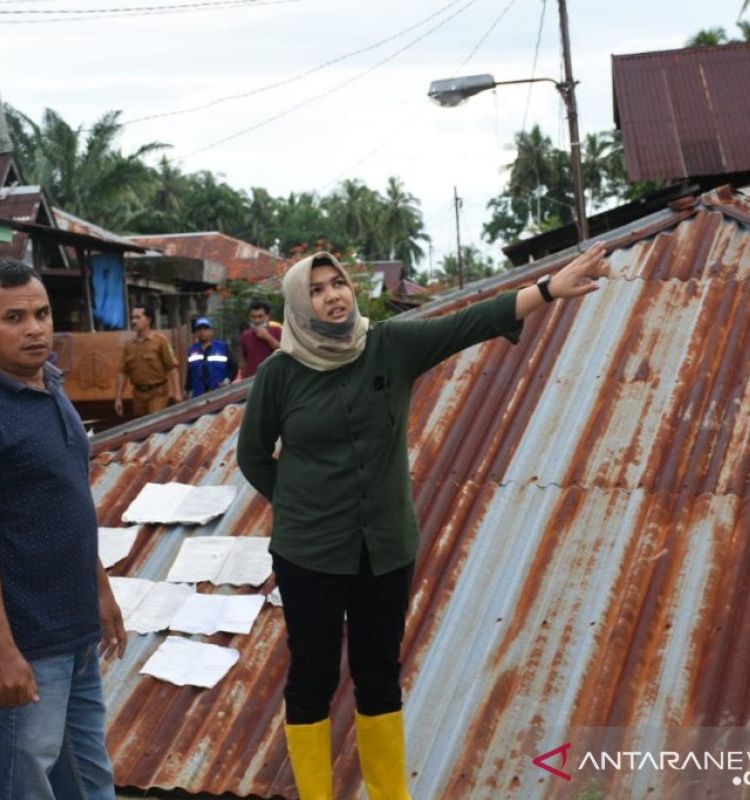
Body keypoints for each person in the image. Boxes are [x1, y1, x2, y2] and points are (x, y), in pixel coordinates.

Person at [237, 245, 608, 800]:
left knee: (379, 673)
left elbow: (468, 323)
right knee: (313, 676)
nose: (332, 296)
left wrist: (550, 288)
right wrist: (300, 508)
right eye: (315, 290)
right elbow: (253, 456)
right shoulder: (279, 375)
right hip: (308, 554)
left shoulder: (388, 347)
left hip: (384, 548)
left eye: (337, 283)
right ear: (298, 303)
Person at [0, 259, 125, 800]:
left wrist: (101, 590)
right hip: (22, 642)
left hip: (74, 628)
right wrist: (0, 650)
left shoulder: (50, 390)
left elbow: (68, 504)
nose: (35, 328)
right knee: (22, 787)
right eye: (14, 317)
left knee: (88, 783)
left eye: (41, 314)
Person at [113, 305, 181, 418]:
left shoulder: (160, 341)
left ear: (148, 320)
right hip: (138, 394)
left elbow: (172, 367)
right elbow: (122, 372)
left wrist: (177, 393)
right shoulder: (128, 345)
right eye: (132, 318)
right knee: (141, 427)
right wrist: (118, 398)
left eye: (138, 317)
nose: (134, 321)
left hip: (157, 392)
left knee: (154, 424)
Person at [185, 317, 236, 398]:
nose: (203, 332)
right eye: (200, 330)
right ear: (196, 333)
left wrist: (227, 381)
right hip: (198, 395)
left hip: (219, 393)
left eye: (205, 329)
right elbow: (189, 373)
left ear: (211, 331)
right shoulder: (192, 350)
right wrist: (187, 391)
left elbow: (234, 367)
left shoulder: (222, 347)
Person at [239, 299, 282, 378]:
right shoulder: (246, 335)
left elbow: (284, 353)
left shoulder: (277, 330)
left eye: (260, 316)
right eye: (253, 317)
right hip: (253, 380)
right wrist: (242, 379)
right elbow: (245, 359)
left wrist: (268, 337)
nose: (257, 320)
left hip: (275, 379)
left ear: (268, 316)